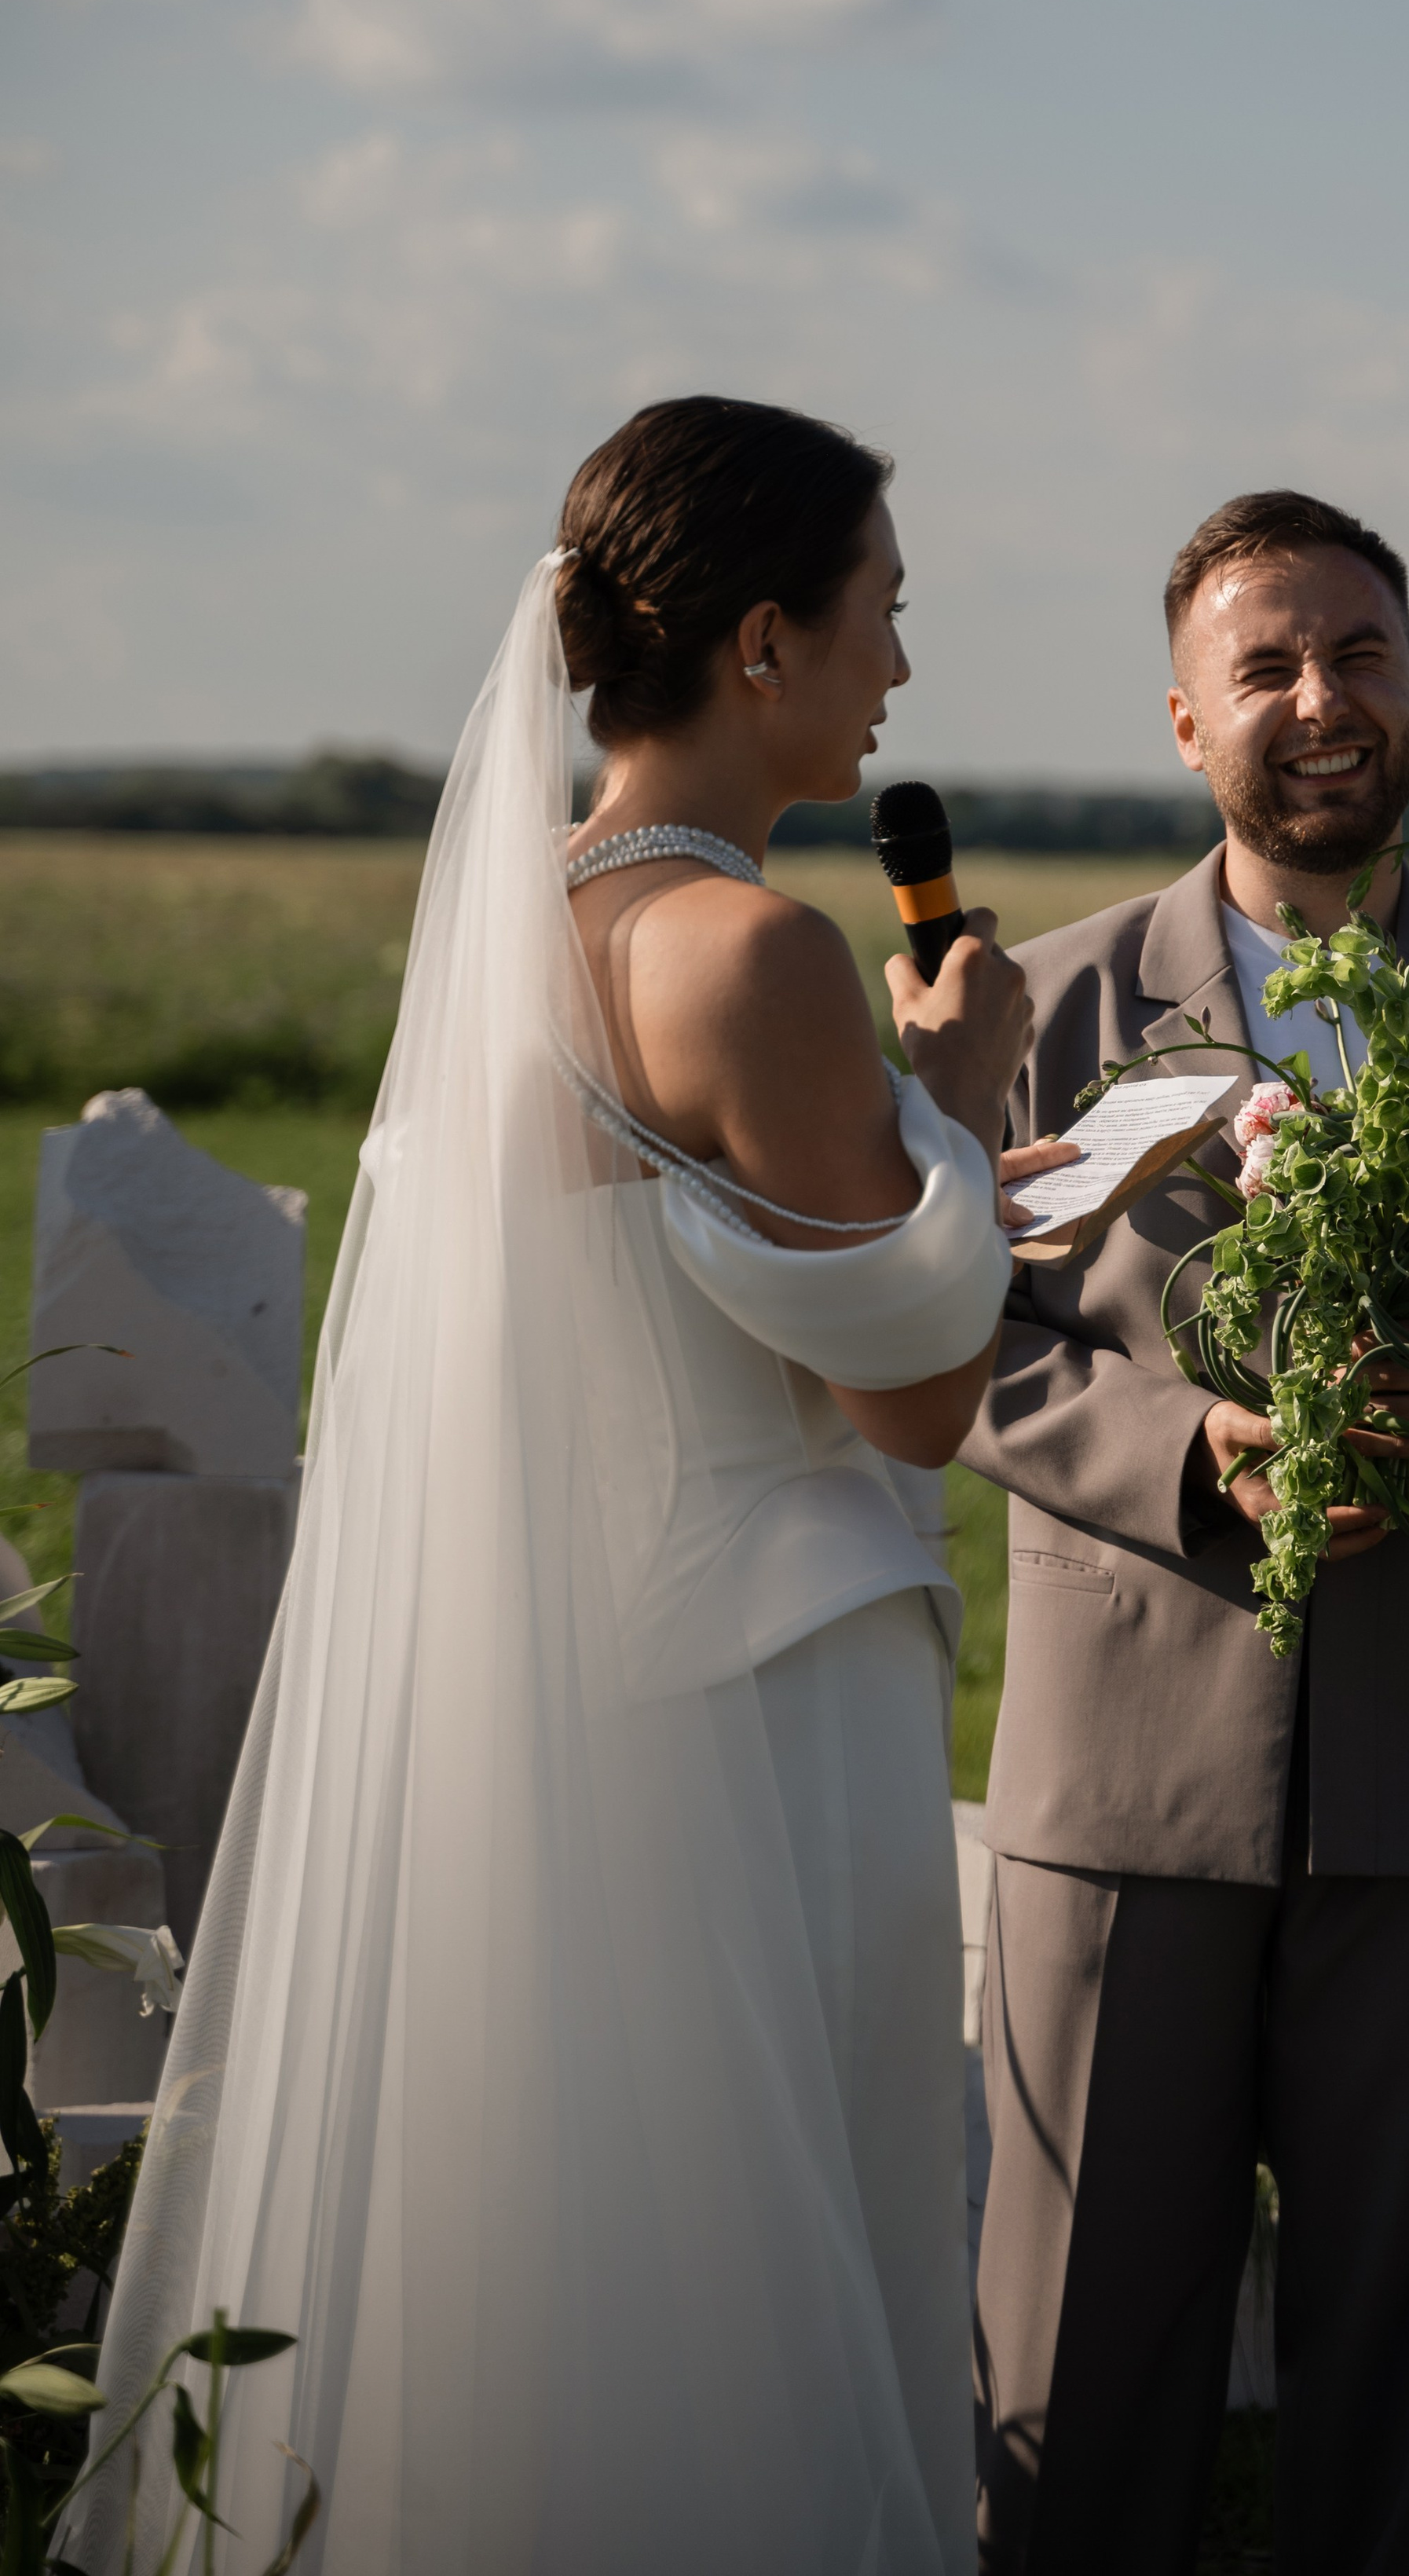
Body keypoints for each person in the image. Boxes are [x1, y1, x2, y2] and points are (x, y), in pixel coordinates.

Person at [65, 399, 1064, 2574]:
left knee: (563, 2219)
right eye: (887, 618)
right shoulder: (760, 958)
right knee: (772, 2209)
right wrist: (964, 1112)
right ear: (769, 643)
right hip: (762, 1695)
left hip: (541, 1698)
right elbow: (920, 1400)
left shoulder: (494, 955)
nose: (903, 673)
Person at [962, 490, 1409, 2574]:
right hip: (1117, 1799)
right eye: (1265, 667)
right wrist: (1198, 1453)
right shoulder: (1039, 1015)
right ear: (1183, 718)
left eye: (1360, 654)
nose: (1321, 702)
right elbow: (955, 1346)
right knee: (1075, 2376)